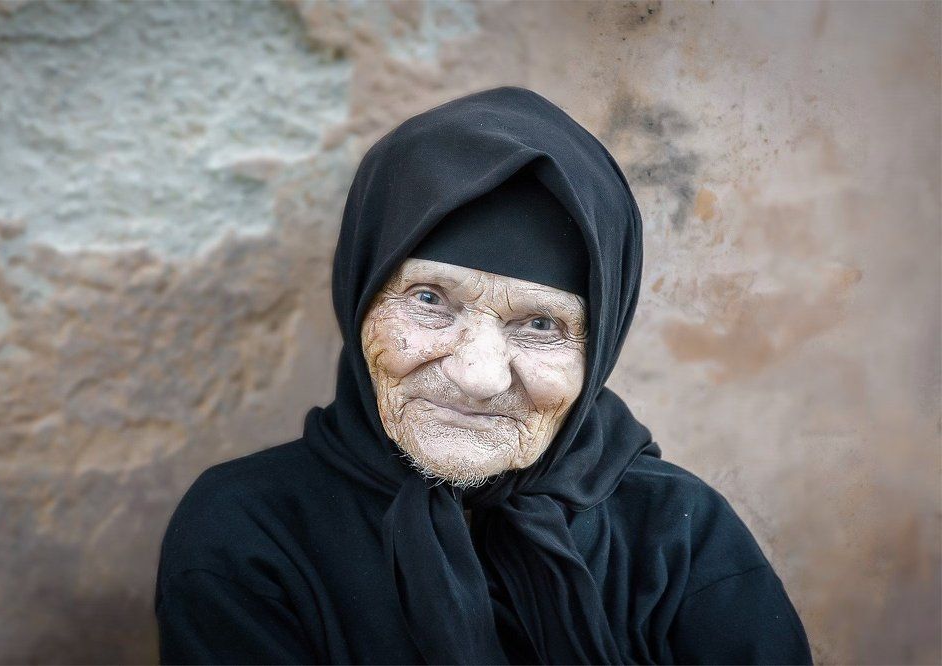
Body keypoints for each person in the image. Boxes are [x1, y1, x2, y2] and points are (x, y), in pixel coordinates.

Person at [154, 86, 812, 664]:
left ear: (600, 347)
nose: (477, 376)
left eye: (541, 325)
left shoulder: (679, 533)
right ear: (359, 299)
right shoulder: (247, 532)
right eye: (430, 301)